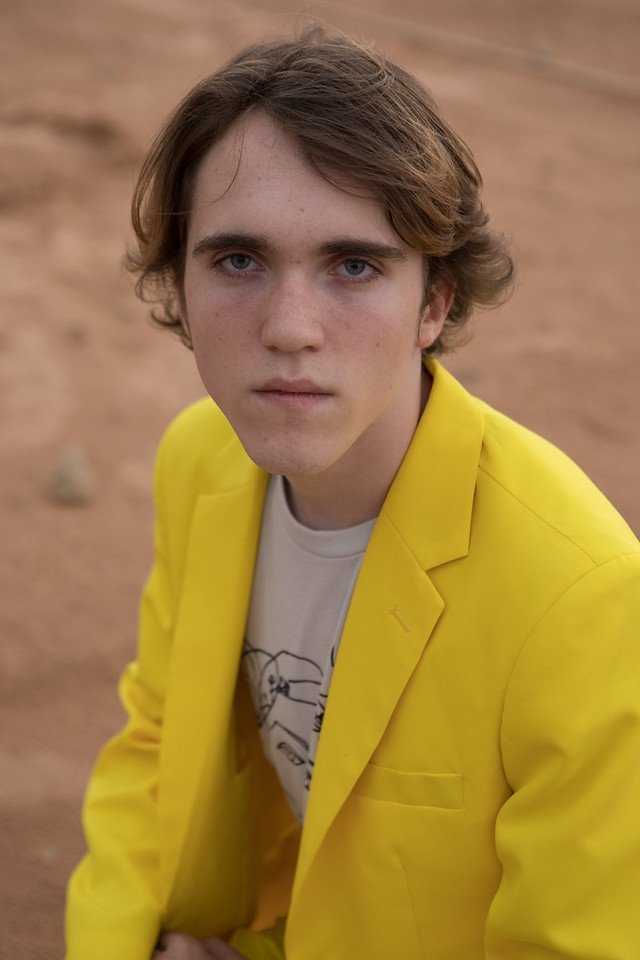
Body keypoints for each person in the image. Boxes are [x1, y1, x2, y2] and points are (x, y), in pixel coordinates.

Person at [65, 26, 640, 960]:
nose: (290, 329)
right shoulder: (199, 461)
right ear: (180, 281)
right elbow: (156, 745)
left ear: (434, 303)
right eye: (239, 260)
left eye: (355, 265)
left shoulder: (583, 596)